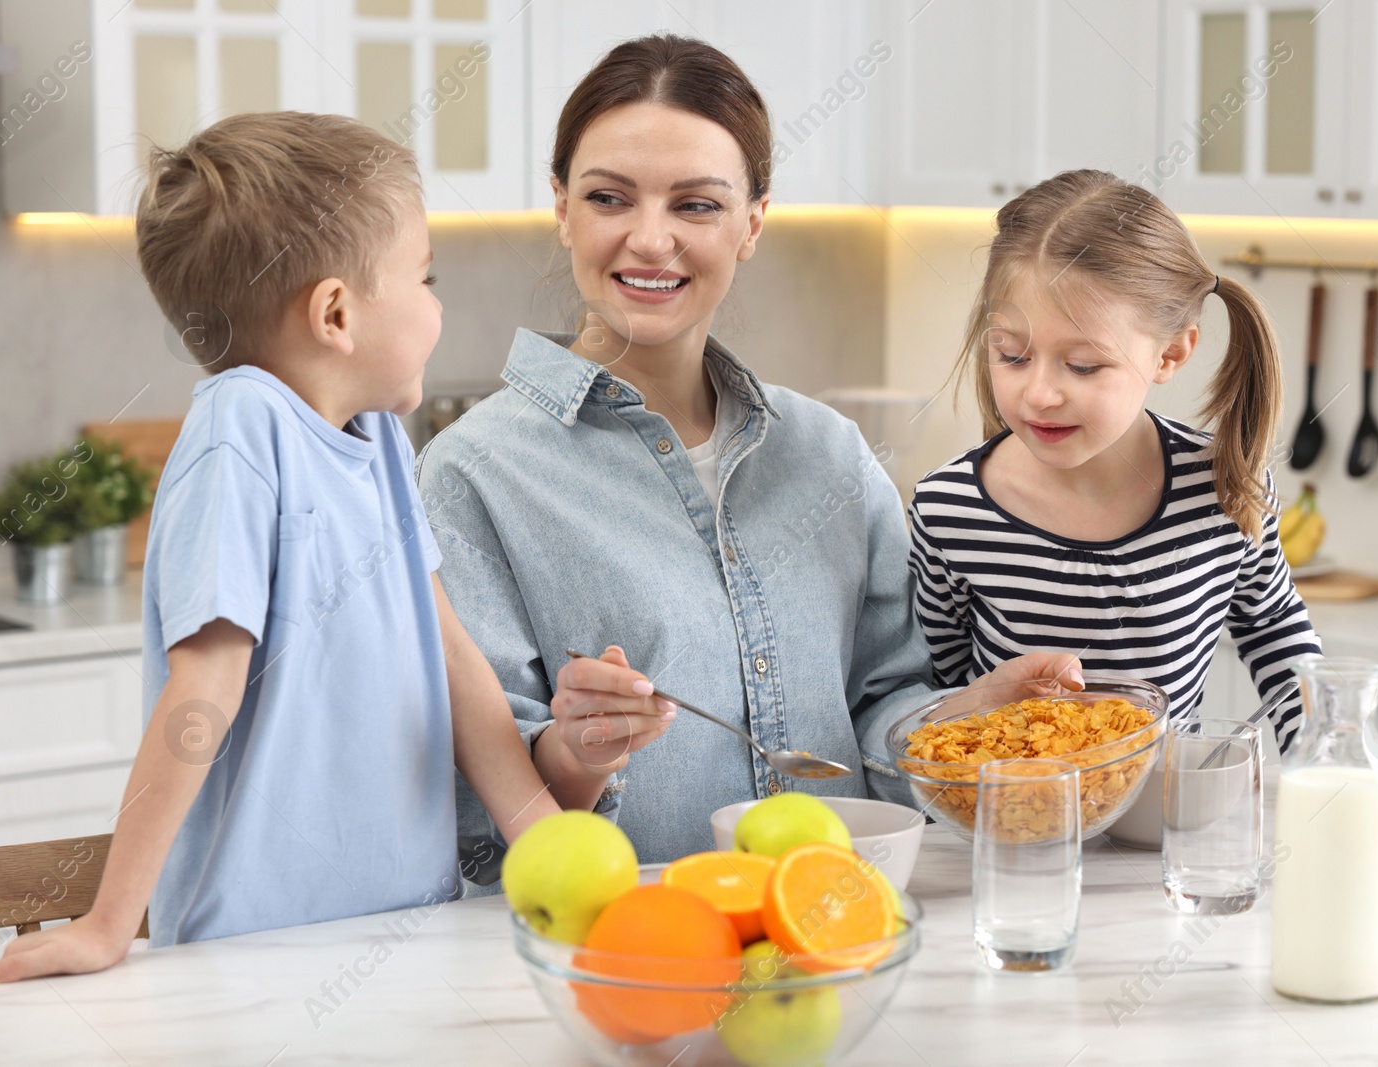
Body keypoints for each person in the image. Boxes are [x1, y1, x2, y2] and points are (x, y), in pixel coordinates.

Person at [418, 34, 1083, 873]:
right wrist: (576, 749)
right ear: (561, 206)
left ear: (752, 223)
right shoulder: (470, 475)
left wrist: (960, 720)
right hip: (628, 952)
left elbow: (880, 711)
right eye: (609, 198)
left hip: (836, 922)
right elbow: (477, 821)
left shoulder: (831, 456)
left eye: (695, 205)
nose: (650, 240)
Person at [0, 113, 632, 981]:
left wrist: (540, 835)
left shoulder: (376, 439)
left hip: (408, 925)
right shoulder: (240, 432)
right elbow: (202, 691)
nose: (439, 303)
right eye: (426, 276)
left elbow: (450, 653)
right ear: (336, 312)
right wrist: (111, 921)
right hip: (254, 947)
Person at [908, 169, 1323, 753]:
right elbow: (931, 688)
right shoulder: (950, 508)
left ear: (1172, 353)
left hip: (1165, 831)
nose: (1040, 394)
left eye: (1082, 366)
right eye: (1012, 356)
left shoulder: (1224, 490)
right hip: (1009, 831)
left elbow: (1274, 628)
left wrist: (1330, 751)